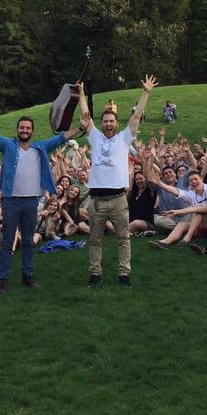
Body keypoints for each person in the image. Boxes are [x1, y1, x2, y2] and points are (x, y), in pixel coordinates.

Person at [0, 107, 83, 293]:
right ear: (18, 130)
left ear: (32, 131)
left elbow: (61, 138)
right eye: (22, 128)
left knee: (28, 241)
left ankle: (27, 276)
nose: (24, 130)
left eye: (28, 128)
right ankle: (3, 280)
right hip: (11, 202)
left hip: (31, 202)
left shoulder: (40, 147)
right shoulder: (8, 145)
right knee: (7, 241)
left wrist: (80, 127)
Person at [79, 75, 157, 287]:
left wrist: (146, 92)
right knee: (95, 240)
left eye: (111, 121)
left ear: (116, 122)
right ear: (102, 124)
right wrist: (81, 94)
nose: (108, 124)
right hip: (96, 200)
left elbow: (137, 115)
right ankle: (95, 273)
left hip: (118, 198)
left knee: (123, 238)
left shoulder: (124, 137)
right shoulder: (94, 137)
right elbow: (85, 115)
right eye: (105, 121)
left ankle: (124, 275)